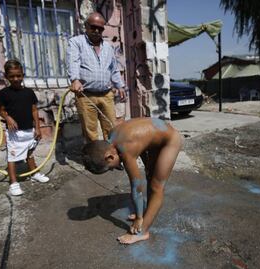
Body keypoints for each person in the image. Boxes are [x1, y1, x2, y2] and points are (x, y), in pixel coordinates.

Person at [82, 118, 183, 244]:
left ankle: (142, 232)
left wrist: (139, 218)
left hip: (171, 140)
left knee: (157, 187)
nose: (113, 170)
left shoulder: (125, 149)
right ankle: (145, 212)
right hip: (157, 136)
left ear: (110, 156)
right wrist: (147, 164)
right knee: (150, 175)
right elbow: (140, 142)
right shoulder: (112, 136)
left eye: (110, 168)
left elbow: (137, 186)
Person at [67, 12, 126, 142]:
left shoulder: (108, 47)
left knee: (111, 129)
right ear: (86, 26)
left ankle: (111, 157)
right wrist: (75, 79)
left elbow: (114, 68)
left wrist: (120, 86)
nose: (96, 30)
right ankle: (94, 160)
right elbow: (73, 61)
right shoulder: (76, 42)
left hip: (106, 95)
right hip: (86, 96)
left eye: (100, 28)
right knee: (90, 132)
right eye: (93, 27)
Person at [0, 59, 49, 196]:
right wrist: (7, 117)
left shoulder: (29, 93)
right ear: (6, 77)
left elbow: (34, 111)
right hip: (15, 133)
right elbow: (1, 111)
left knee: (30, 153)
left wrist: (37, 128)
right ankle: (13, 183)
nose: (15, 79)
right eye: (12, 76)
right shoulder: (4, 93)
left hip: (29, 130)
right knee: (12, 157)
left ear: (23, 75)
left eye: (18, 75)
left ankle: (34, 173)